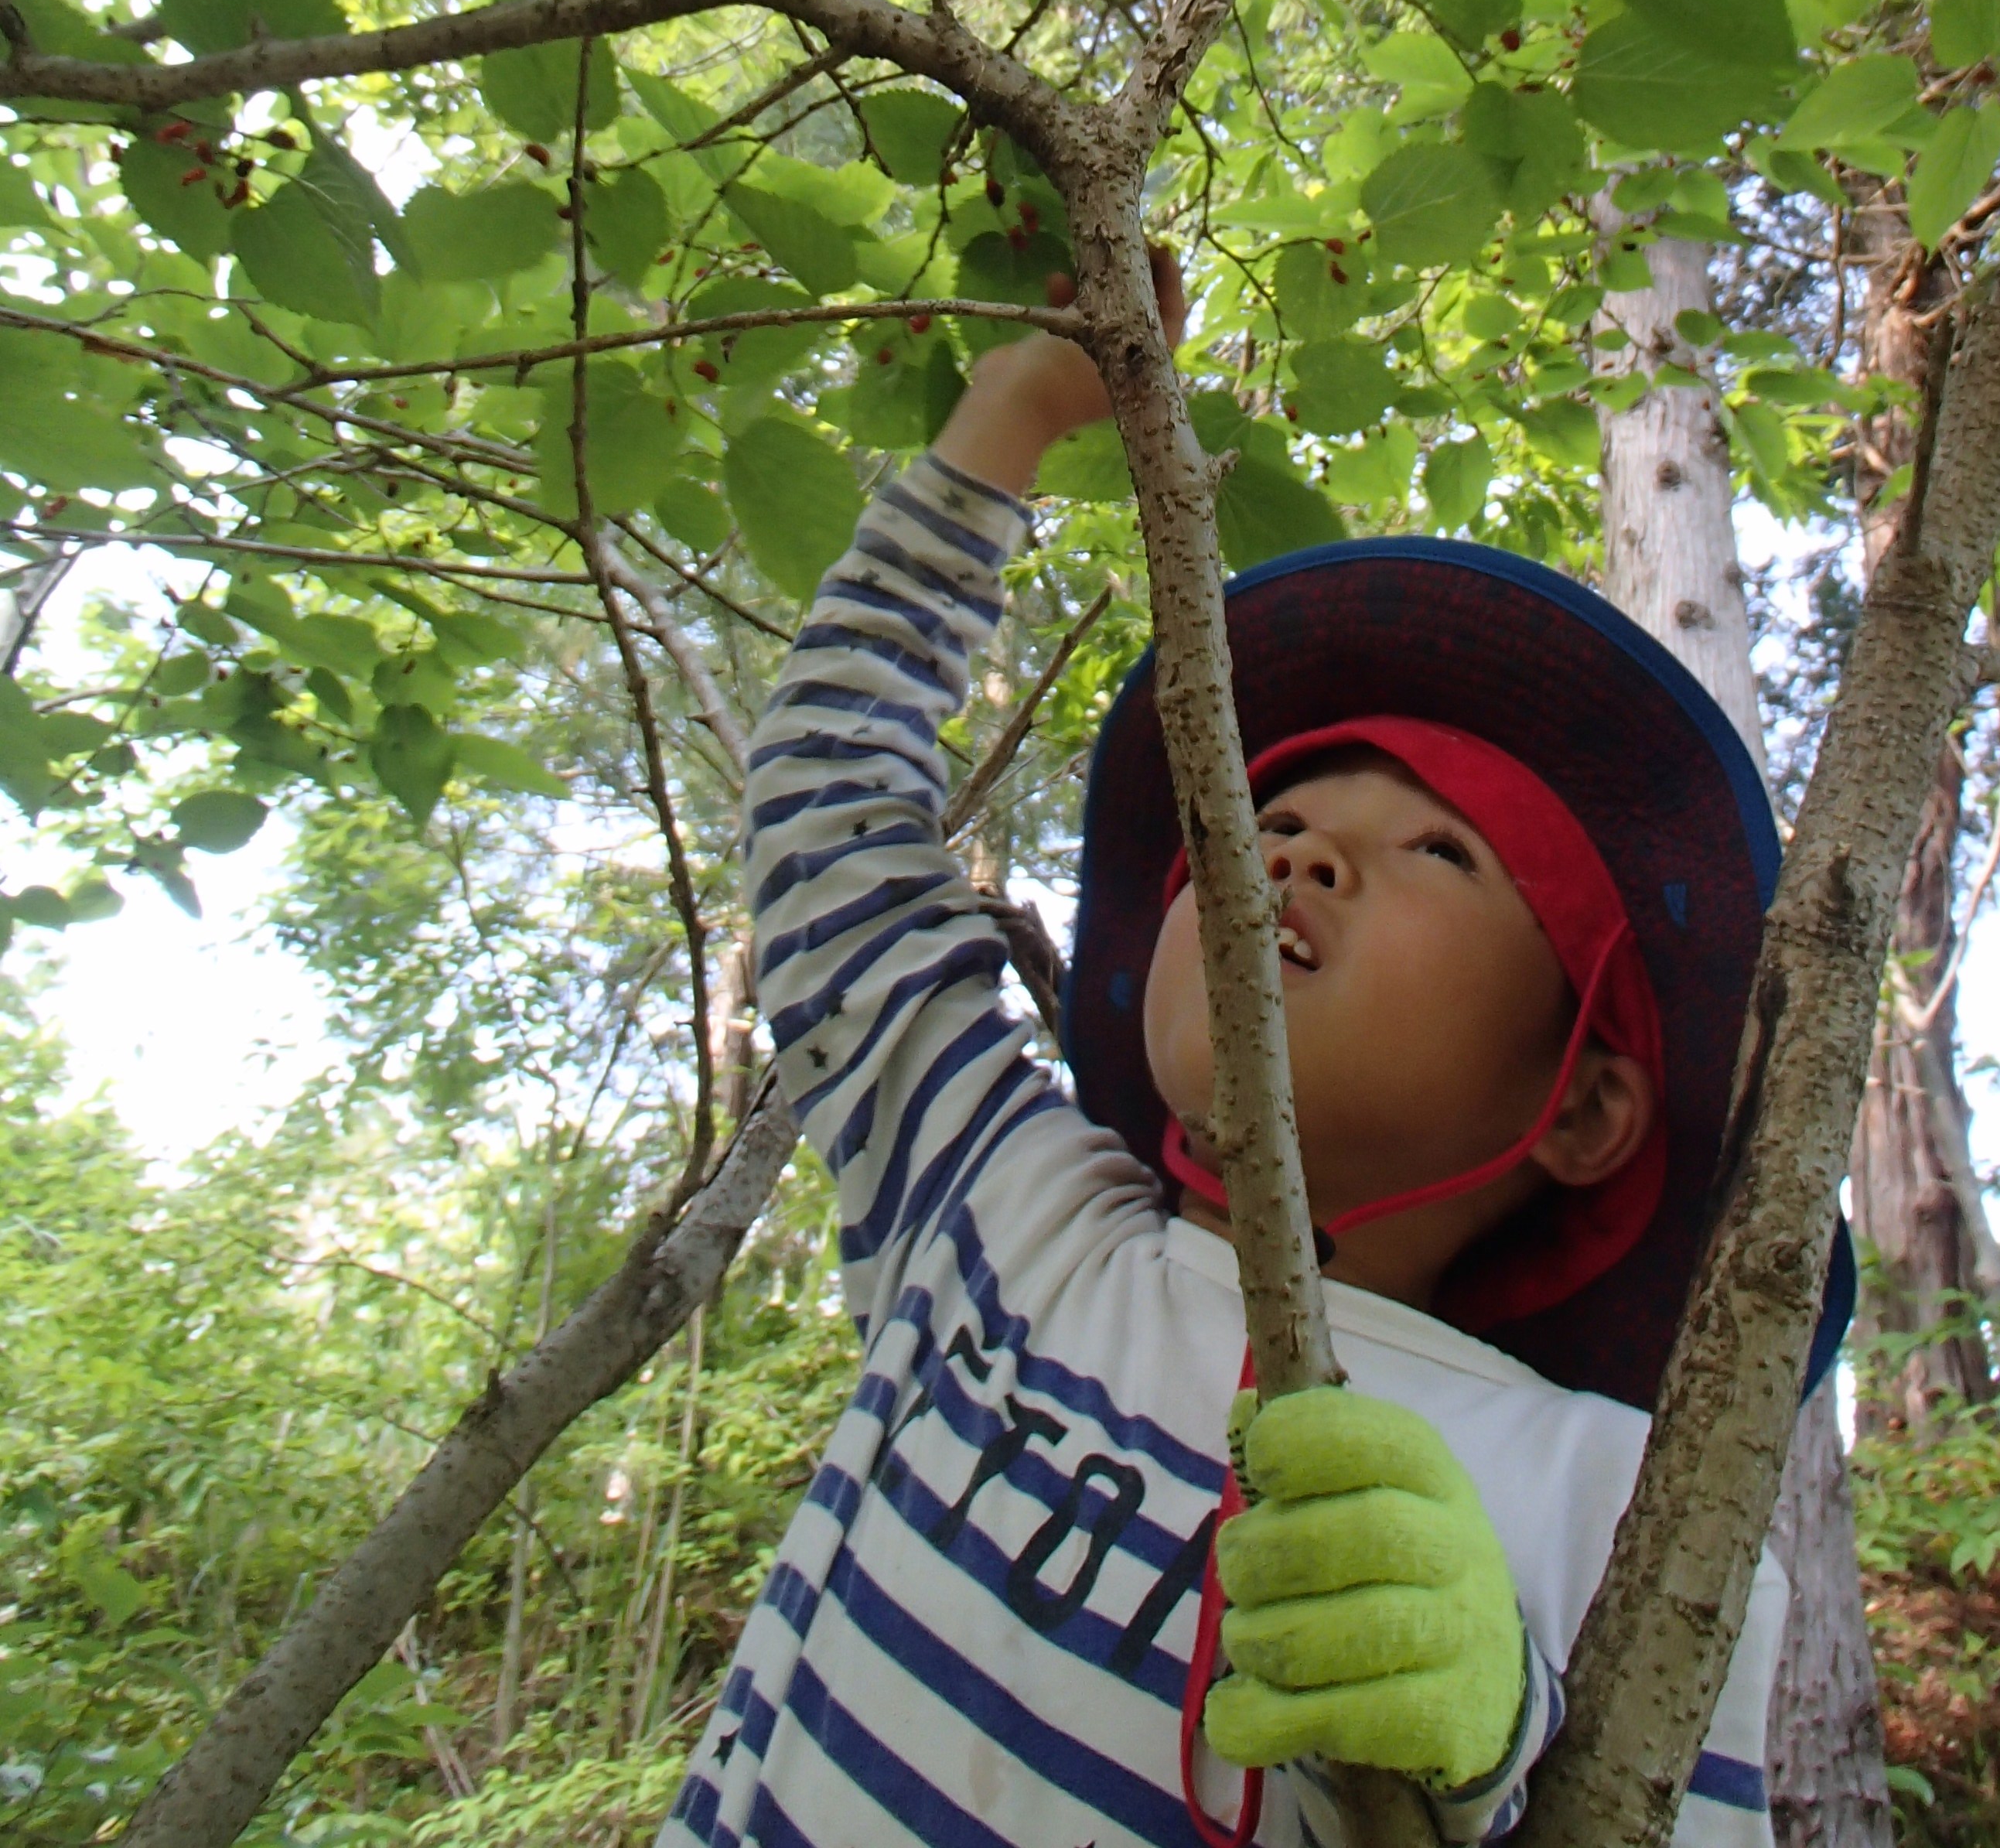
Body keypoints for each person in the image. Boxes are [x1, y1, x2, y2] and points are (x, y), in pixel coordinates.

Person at [661, 259, 1845, 1848]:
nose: (1291, 855)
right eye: (1267, 818)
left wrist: (1500, 1746)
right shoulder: (1005, 1213)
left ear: (1582, 1104)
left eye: (1435, 853)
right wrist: (1018, 406)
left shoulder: (1620, 1508)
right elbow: (832, 825)